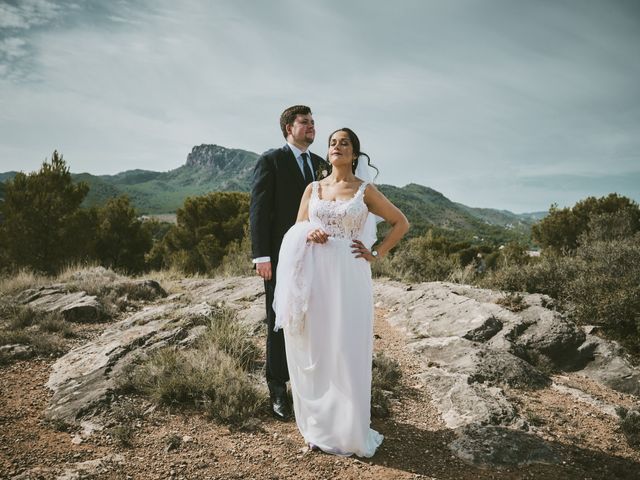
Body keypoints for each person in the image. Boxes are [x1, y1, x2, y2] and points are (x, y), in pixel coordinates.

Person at [273, 128, 410, 457]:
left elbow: (401, 222)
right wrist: (310, 230)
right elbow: (296, 229)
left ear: (354, 153)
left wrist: (376, 254)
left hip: (349, 273)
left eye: (344, 143)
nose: (337, 147)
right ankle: (319, 426)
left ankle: (349, 428)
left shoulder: (365, 190)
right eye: (333, 143)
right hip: (316, 274)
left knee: (347, 346)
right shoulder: (313, 189)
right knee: (317, 345)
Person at [249, 105, 327, 421]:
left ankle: (312, 387)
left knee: (317, 320)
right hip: (282, 258)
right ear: (288, 128)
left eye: (313, 122)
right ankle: (278, 388)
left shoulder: (322, 165)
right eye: (304, 122)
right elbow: (259, 209)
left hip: (320, 259)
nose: (311, 126)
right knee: (280, 319)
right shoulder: (272, 161)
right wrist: (262, 256)